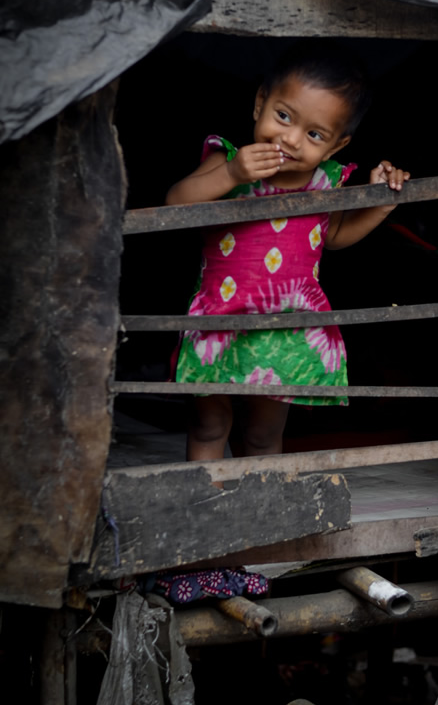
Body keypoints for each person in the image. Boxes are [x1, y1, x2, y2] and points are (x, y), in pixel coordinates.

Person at [166, 44, 409, 462]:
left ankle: (263, 518)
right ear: (260, 102)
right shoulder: (227, 160)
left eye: (315, 134)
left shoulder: (326, 183)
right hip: (218, 322)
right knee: (208, 426)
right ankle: (203, 511)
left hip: (286, 331)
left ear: (335, 146)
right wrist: (231, 174)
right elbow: (175, 206)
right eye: (283, 116)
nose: (291, 139)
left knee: (262, 437)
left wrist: (381, 205)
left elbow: (333, 236)